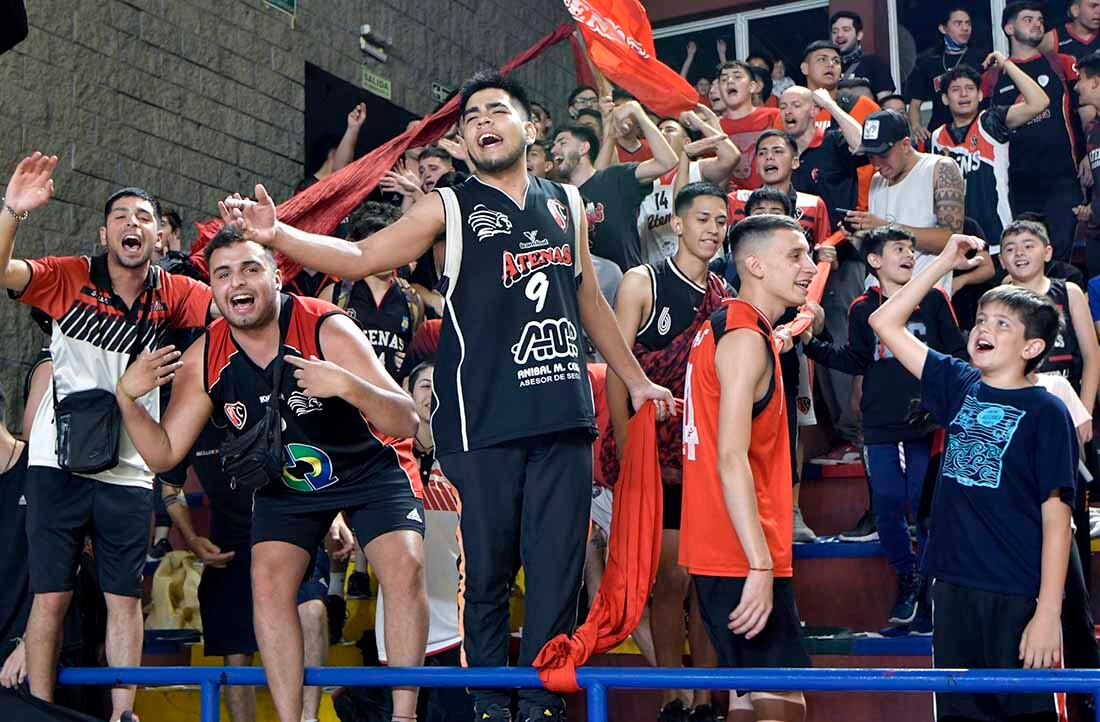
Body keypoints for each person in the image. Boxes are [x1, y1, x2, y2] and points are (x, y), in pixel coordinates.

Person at [220, 70, 674, 722]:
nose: (482, 122)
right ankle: (490, 702)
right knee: (487, 575)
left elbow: (590, 301)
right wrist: (280, 235)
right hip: (482, 419)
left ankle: (540, 700)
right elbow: (361, 254)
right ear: (462, 144)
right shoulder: (449, 206)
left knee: (556, 572)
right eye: (470, 120)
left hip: (563, 411)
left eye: (496, 110)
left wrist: (635, 379)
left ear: (530, 127)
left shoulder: (567, 205)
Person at [115, 227, 428, 722]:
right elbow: (165, 453)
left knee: (404, 564)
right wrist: (127, 399)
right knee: (267, 583)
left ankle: (405, 716)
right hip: (292, 481)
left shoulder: (326, 326)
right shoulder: (206, 355)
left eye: (250, 268)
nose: (237, 281)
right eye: (223, 274)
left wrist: (347, 385)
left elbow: (404, 418)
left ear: (276, 277)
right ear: (213, 291)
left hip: (367, 467)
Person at [0, 154, 213, 722]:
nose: (132, 224)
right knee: (51, 596)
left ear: (160, 236)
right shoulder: (69, 276)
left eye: (143, 216)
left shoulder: (177, 294)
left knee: (125, 597)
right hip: (56, 465)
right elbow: (3, 272)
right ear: (104, 232)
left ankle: (123, 713)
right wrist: (11, 213)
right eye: (120, 216)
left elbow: (235, 312)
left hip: (130, 468)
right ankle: (39, 712)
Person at [868, 234, 1074, 721]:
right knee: (962, 713)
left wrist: (1047, 613)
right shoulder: (959, 383)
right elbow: (885, 321)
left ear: (1033, 346)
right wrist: (941, 262)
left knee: (1028, 713)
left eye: (1003, 324)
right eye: (981, 320)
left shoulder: (1046, 410)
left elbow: (1057, 516)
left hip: (1019, 592)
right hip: (954, 587)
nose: (985, 328)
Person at [681, 215, 815, 722]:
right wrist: (760, 565)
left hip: (722, 546)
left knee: (744, 697)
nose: (807, 267)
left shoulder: (730, 328)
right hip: (742, 550)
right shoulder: (743, 339)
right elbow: (730, 457)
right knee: (782, 703)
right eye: (796, 255)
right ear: (754, 265)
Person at [606, 183, 729, 722]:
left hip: (705, 453)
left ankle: (705, 701)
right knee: (670, 578)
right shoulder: (642, 281)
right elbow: (618, 368)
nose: (712, 229)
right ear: (677, 224)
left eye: (721, 221)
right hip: (650, 453)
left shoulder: (725, 294)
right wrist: (633, 452)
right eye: (702, 218)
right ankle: (671, 696)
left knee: (707, 580)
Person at [803, 227, 965, 628]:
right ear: (875, 261)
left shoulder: (934, 299)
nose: (909, 255)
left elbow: (956, 355)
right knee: (889, 505)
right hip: (879, 426)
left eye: (911, 249)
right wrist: (809, 342)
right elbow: (855, 360)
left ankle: (931, 585)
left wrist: (942, 404)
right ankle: (907, 576)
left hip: (928, 425)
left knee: (925, 508)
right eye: (899, 249)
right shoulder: (861, 308)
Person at [158, 421, 336, 722]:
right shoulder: (191, 421)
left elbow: (320, 461)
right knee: (237, 653)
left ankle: (307, 719)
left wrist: (336, 519)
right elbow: (170, 490)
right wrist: (191, 538)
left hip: (289, 530)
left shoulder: (266, 394)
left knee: (312, 612)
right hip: (229, 547)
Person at [375, 360, 470, 722]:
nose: (433, 395)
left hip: (457, 630)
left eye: (441, 385)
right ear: (407, 392)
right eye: (425, 386)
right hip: (396, 633)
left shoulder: (467, 459)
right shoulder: (385, 460)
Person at [985, 1, 1085, 262]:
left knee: (1061, 249)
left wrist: (1087, 153)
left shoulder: (1061, 62)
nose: (1037, 24)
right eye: (1028, 19)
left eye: (1040, 20)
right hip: (1018, 181)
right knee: (1027, 252)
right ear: (1008, 28)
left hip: (1061, 176)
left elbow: (1083, 110)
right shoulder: (993, 77)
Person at [931, 56, 1050, 244]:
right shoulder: (937, 137)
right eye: (955, 90)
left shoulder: (990, 121)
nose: (963, 94)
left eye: (970, 89)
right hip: (956, 240)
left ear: (979, 95)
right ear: (945, 98)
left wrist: (1007, 64)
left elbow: (1039, 102)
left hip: (996, 236)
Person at [846, 109, 966, 292]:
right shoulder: (877, 179)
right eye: (871, 157)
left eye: (884, 155)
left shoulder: (938, 168)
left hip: (925, 296)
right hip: (879, 297)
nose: (877, 165)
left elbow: (951, 239)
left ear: (905, 144)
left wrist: (886, 227)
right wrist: (861, 239)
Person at [552, 117, 677, 272]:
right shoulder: (557, 199)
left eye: (562, 142)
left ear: (583, 148)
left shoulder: (616, 177)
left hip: (627, 287)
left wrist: (637, 112)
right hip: (582, 291)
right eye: (553, 145)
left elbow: (667, 161)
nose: (554, 150)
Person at [321, 210, 424, 380]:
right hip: (346, 399)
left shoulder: (412, 300)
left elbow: (418, 361)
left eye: (393, 246)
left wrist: (411, 363)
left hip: (391, 399)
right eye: (380, 248)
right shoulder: (334, 294)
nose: (387, 254)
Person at [638, 108, 740, 264]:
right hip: (660, 272)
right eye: (658, 131)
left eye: (669, 130)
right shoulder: (643, 178)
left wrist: (697, 122)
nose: (662, 134)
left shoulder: (698, 168)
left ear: (687, 142)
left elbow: (731, 156)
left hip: (707, 267)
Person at [779, 86, 865, 229]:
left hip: (842, 241)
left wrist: (830, 105)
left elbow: (862, 144)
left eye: (796, 105)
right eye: (783, 107)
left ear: (814, 110)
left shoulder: (833, 142)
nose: (788, 111)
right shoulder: (782, 152)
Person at [727, 130, 831, 248]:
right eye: (762, 153)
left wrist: (828, 257)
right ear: (756, 166)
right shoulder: (736, 200)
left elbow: (826, 257)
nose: (769, 157)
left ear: (795, 162)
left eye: (777, 151)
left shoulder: (814, 205)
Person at [905, 6, 985, 143]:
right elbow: (914, 104)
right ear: (943, 29)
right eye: (958, 23)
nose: (965, 28)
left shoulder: (981, 58)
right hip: (940, 135)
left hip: (976, 133)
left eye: (968, 23)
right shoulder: (927, 62)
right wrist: (917, 126)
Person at [715, 61, 781, 191]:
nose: (729, 81)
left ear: (752, 87)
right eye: (723, 79)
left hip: (772, 199)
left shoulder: (774, 116)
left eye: (737, 76)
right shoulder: (714, 127)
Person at [296, 102, 367, 193]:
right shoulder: (306, 189)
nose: (348, 161)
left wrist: (353, 128)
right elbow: (339, 171)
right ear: (332, 153)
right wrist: (352, 128)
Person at [1073, 50, 1100, 276]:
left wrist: (1094, 210)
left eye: (1080, 79)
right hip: (1095, 235)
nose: (1075, 87)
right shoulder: (1093, 129)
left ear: (1095, 82)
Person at [830, 10, 895, 99]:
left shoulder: (874, 63)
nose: (839, 35)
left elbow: (886, 104)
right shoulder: (827, 67)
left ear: (859, 35)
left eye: (846, 30)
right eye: (835, 31)